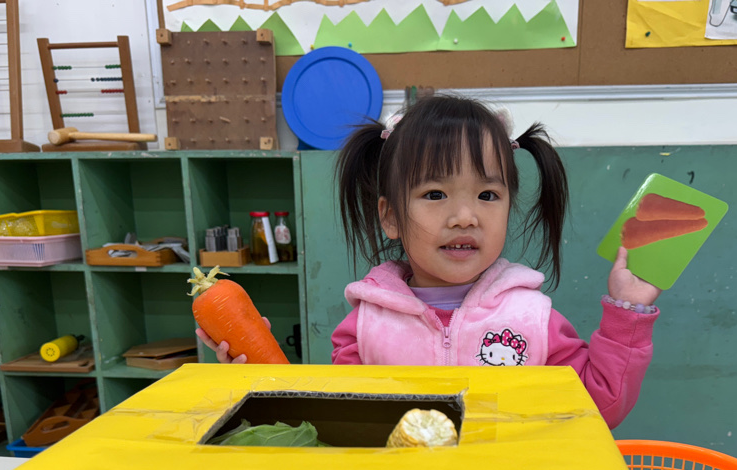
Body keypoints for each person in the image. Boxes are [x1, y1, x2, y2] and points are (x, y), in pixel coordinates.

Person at [200, 95, 661, 428]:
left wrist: (628, 313)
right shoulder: (365, 327)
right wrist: (259, 377)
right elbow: (337, 424)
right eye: (435, 194)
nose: (465, 217)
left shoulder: (533, 319)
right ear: (391, 217)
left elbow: (599, 408)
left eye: (487, 195)